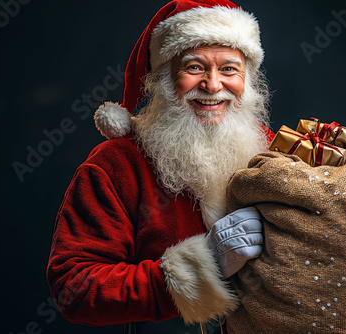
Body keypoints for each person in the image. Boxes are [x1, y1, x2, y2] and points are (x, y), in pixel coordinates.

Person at [46, 0, 274, 332]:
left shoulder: (274, 150)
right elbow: (74, 286)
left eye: (229, 69)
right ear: (165, 77)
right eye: (194, 67)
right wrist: (201, 266)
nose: (212, 86)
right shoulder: (114, 165)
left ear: (247, 79)